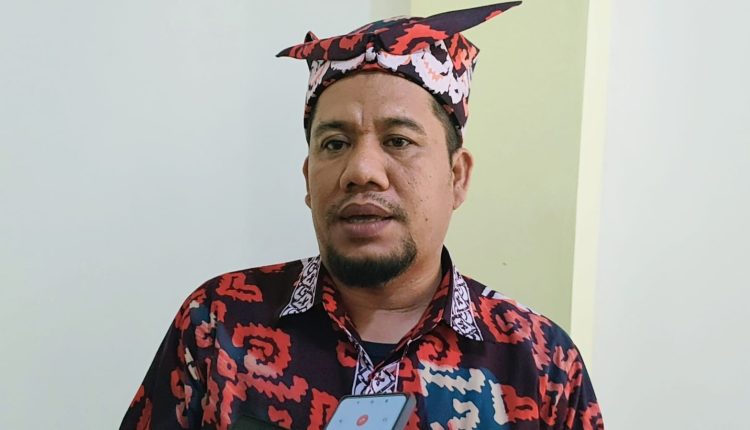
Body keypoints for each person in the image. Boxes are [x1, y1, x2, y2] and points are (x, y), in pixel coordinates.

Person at [121, 2, 604, 429]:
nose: (361, 171)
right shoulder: (219, 323)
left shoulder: (540, 362)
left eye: (398, 141)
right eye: (335, 144)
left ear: (457, 177)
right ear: (308, 178)